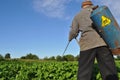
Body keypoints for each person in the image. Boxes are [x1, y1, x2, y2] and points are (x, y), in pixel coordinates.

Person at [68, 1, 118, 80]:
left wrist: (70, 38)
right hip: (103, 43)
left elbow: (73, 32)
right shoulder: (99, 12)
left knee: (84, 71)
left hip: (87, 45)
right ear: (91, 5)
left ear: (82, 7)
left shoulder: (77, 16)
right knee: (109, 70)